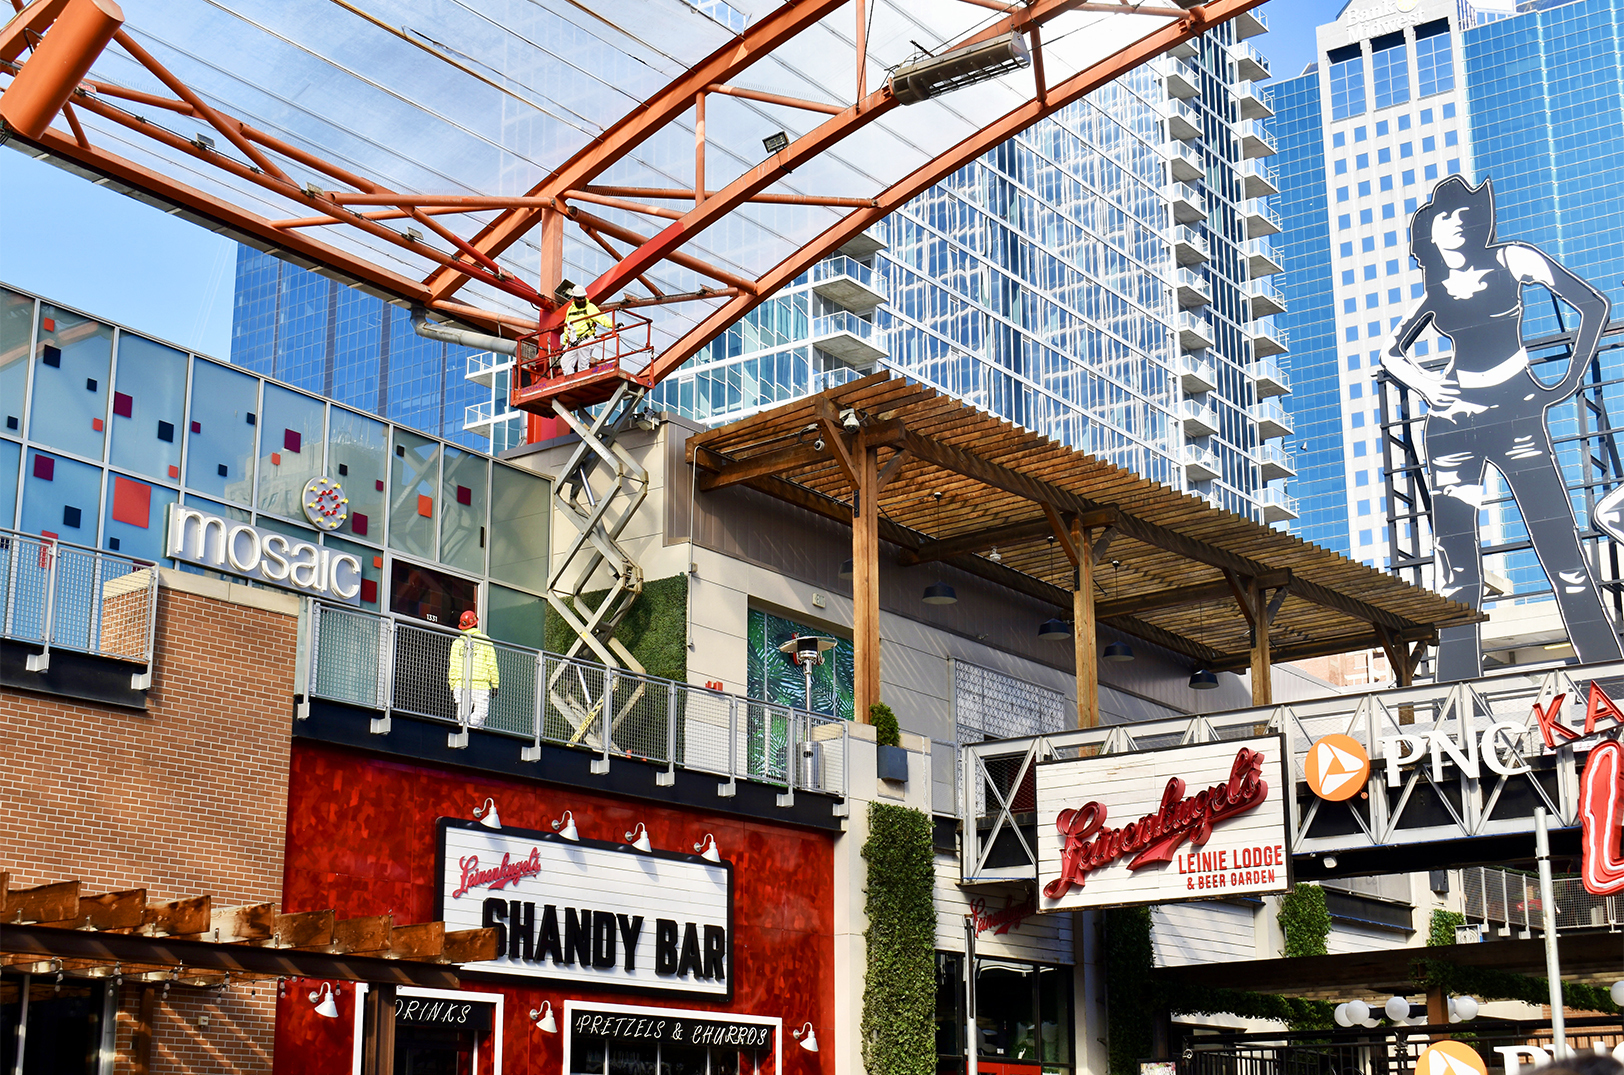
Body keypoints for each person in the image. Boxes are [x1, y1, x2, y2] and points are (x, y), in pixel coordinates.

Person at [1380, 175, 1621, 680]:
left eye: (1469, 211)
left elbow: (1594, 305)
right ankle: (1455, 700)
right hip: (1451, 428)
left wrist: (1566, 378)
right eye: (1448, 214)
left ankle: (1609, 678)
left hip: (1516, 413)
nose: (1461, 218)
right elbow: (1389, 352)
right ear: (1430, 232)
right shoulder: (1435, 287)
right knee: (1458, 575)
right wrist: (1425, 383)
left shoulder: (1514, 258)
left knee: (1564, 557)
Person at [447, 610, 499, 729]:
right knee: (481, 713)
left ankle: (465, 729)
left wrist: (452, 684)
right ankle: (471, 730)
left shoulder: (457, 643)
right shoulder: (485, 640)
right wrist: (495, 684)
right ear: (476, 623)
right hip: (480, 684)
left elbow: (453, 666)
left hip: (461, 683)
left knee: (462, 714)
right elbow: (491, 664)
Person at [562, 285, 613, 374]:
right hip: (573, 340)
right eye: (579, 298)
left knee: (583, 363)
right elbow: (567, 326)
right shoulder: (570, 310)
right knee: (565, 361)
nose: (582, 300)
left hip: (586, 339)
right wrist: (565, 342)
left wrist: (612, 325)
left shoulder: (590, 307)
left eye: (583, 298)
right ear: (574, 298)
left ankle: (582, 378)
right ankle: (570, 381)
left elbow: (601, 318)